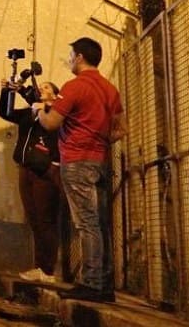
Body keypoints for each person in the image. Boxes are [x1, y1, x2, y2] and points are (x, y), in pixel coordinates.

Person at [37, 37, 125, 303]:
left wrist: (39, 110)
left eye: (71, 54)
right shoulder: (110, 90)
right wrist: (99, 140)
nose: (70, 59)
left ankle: (92, 283)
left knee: (87, 223)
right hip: (100, 161)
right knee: (100, 223)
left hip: (76, 161)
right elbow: (121, 129)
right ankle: (105, 283)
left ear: (79, 58)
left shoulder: (74, 87)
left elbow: (51, 123)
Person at [0, 78, 62, 284]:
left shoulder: (54, 113)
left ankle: (48, 269)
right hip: (26, 169)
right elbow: (5, 112)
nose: (41, 89)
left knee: (45, 219)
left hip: (44, 171)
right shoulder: (30, 113)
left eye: (46, 87)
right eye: (40, 86)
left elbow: (54, 123)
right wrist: (6, 91)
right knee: (34, 219)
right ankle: (39, 266)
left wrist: (42, 106)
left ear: (54, 94)